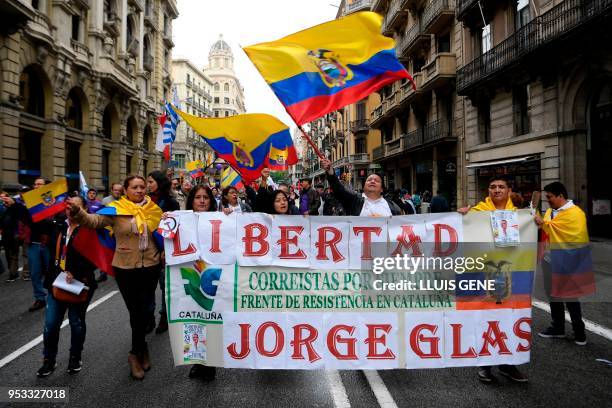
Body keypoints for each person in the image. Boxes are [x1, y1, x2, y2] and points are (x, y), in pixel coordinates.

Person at [67, 175, 163, 380]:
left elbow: (164, 233)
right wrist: (78, 212)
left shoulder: (154, 210)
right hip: (126, 268)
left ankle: (142, 347)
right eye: (134, 187)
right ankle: (134, 355)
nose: (139, 190)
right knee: (136, 312)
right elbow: (93, 221)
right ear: (126, 190)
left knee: (146, 311)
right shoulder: (116, 209)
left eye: (142, 187)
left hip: (151, 266)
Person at [458, 176, 527, 384]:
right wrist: (461, 217)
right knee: (486, 318)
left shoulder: (521, 215)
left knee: (510, 319)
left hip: (512, 274)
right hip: (485, 273)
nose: (496, 190)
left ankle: (508, 364)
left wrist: (538, 223)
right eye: (492, 187)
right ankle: (485, 364)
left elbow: (531, 240)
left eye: (501, 187)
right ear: (488, 191)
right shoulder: (477, 211)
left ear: (508, 190)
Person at [37, 195, 98, 377]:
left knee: (76, 323)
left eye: (76, 206)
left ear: (84, 209)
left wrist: (75, 272)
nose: (71, 210)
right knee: (50, 324)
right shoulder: (58, 226)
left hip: (80, 284)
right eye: (68, 206)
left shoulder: (90, 229)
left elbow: (97, 258)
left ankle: (75, 357)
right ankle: (49, 360)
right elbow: (36, 224)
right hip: (56, 283)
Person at [535, 182, 591, 346]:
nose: (548, 200)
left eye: (550, 197)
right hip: (549, 259)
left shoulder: (575, 213)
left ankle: (579, 332)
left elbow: (574, 235)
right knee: (553, 295)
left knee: (570, 296)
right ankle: (558, 327)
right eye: (546, 197)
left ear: (560, 195)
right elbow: (547, 230)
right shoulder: (551, 211)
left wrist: (544, 223)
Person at [184, 185, 217, 381]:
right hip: (190, 273)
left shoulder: (220, 220)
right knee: (193, 320)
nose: (202, 201)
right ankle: (197, 361)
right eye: (198, 197)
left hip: (213, 275)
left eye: (206, 197)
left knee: (211, 321)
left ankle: (210, 363)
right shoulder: (181, 219)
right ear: (192, 201)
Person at [147, 171, 180, 334]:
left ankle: (164, 317)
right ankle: (149, 316)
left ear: (159, 183)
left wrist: (166, 250)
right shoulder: (144, 201)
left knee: (164, 286)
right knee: (147, 288)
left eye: (151, 181)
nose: (148, 185)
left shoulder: (170, 202)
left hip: (164, 251)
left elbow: (174, 228)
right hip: (146, 250)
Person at [321, 158, 402, 216]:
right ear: (364, 187)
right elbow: (338, 189)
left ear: (382, 189)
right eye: (369, 180)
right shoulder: (354, 200)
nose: (372, 181)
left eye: (376, 180)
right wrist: (330, 171)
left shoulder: (394, 207)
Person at [23, 178, 55, 312]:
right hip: (34, 243)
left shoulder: (53, 202)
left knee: (51, 271)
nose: (36, 186)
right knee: (35, 273)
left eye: (39, 184)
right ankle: (40, 298)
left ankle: (54, 297)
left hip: (49, 244)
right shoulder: (29, 202)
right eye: (35, 184)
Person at [1, 191, 24, 282]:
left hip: (14, 235)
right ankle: (12, 271)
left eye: (4, 198)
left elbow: (18, 218)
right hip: (5, 236)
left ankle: (13, 273)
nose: (3, 200)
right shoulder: (3, 210)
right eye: (1, 198)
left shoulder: (15, 209)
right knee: (7, 254)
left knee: (14, 255)